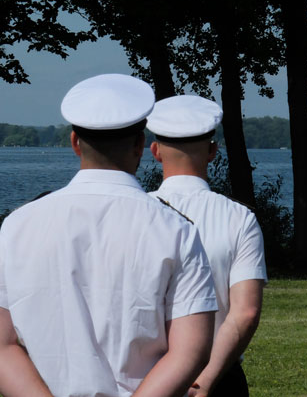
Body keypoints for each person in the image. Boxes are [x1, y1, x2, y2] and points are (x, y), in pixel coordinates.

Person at [0, 74, 218, 396]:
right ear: (141, 145)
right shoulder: (176, 230)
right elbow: (191, 350)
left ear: (75, 142)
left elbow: (3, 345)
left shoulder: (17, 226)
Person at [147, 95, 267, 397]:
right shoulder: (239, 218)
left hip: (145, 376)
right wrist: (207, 379)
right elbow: (246, 312)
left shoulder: (131, 213)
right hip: (219, 376)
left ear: (155, 151)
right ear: (213, 151)